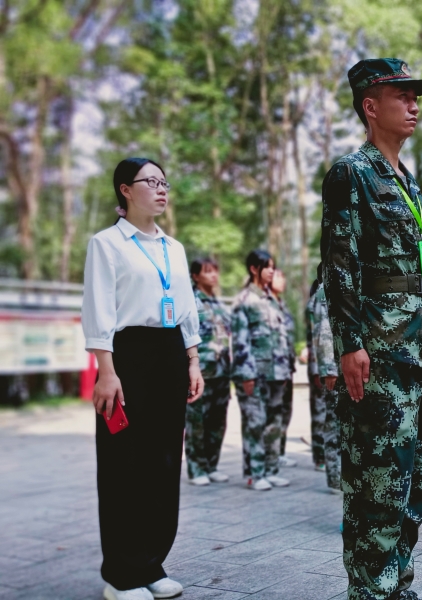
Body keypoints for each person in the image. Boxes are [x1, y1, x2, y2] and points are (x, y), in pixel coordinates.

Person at [320, 58, 422, 600]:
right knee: (377, 480)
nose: (413, 104)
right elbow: (339, 265)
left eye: (416, 96)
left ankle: (397, 585)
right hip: (379, 352)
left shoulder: (406, 181)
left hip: (415, 350)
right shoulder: (352, 172)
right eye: (401, 95)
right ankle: (371, 590)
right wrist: (351, 344)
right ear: (371, 106)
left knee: (417, 479)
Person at [83, 157, 203, 600]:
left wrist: (192, 360)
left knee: (164, 462)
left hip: (170, 354)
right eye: (149, 182)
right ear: (124, 190)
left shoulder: (174, 247)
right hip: (127, 358)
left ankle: (151, 563)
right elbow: (98, 310)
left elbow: (187, 309)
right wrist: (106, 372)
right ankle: (121, 575)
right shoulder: (107, 244)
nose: (161, 189)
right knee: (124, 463)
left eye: (163, 181)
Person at [231, 250, 292, 491]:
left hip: (276, 373)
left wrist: (286, 370)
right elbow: (240, 341)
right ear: (254, 269)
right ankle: (255, 474)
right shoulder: (245, 301)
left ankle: (271, 469)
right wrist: (246, 374)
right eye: (267, 267)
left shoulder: (272, 301)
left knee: (274, 423)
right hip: (254, 373)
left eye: (273, 267)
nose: (271, 271)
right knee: (255, 423)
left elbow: (283, 337)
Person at [186, 256, 232, 486]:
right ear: (195, 276)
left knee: (217, 421)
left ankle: (212, 464)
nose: (214, 275)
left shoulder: (218, 304)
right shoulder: (191, 302)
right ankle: (196, 468)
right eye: (207, 271)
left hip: (222, 371)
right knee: (197, 422)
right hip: (200, 372)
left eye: (215, 271)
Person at [309, 264, 341, 492]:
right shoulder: (324, 292)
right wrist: (329, 369)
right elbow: (324, 331)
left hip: (346, 367)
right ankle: (335, 476)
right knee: (333, 422)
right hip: (336, 369)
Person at [272, 269, 298, 469]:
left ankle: (279, 452)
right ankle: (269, 456)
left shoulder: (283, 306)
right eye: (278, 276)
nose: (283, 281)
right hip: (272, 370)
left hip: (286, 368)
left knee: (285, 412)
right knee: (273, 414)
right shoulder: (265, 305)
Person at [305, 276, 327, 471]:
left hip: (327, 366)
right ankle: (320, 456)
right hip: (319, 367)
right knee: (320, 413)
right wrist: (315, 370)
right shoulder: (318, 301)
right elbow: (314, 340)